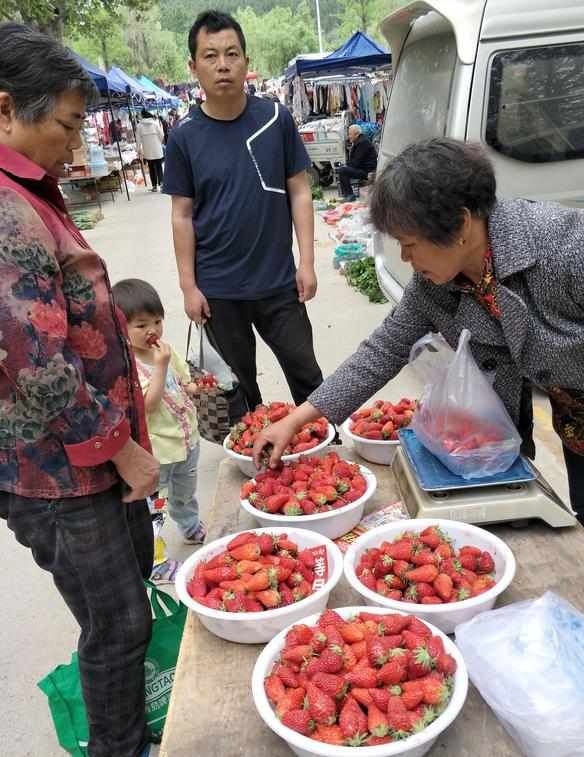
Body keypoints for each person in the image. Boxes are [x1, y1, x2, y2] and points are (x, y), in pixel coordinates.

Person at [254, 137, 584, 576]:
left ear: (460, 225)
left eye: (411, 243)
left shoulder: (567, 246)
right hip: (579, 411)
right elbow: (383, 350)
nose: (405, 257)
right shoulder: (435, 284)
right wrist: (299, 418)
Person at [0, 23, 159, 757]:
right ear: (6, 111)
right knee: (118, 623)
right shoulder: (5, 212)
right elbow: (38, 369)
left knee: (124, 611)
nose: (77, 142)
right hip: (59, 475)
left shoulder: (32, 192)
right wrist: (123, 450)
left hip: (83, 462)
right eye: (66, 125)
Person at [164, 10, 323, 417]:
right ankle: (254, 464)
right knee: (237, 390)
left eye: (232, 54)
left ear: (246, 63)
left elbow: (300, 191)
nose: (223, 65)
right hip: (219, 289)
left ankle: (325, 450)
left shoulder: (275, 119)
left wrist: (306, 261)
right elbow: (181, 215)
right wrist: (188, 287)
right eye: (211, 55)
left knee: (307, 374)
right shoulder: (183, 137)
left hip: (279, 283)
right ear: (193, 66)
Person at [112, 278, 207, 553]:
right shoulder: (129, 367)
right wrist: (160, 367)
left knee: (185, 493)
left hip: (187, 440)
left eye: (156, 321)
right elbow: (147, 406)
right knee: (156, 504)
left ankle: (189, 527)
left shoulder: (165, 351)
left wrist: (193, 387)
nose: (152, 330)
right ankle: (154, 554)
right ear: (121, 328)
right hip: (159, 453)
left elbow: (183, 380)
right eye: (141, 325)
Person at [335, 124, 378, 201]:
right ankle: (346, 194)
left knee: (342, 171)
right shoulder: (360, 141)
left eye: (350, 134)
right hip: (363, 169)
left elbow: (356, 163)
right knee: (343, 169)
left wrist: (346, 166)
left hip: (367, 172)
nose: (349, 136)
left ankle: (350, 195)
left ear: (356, 134)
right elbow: (355, 162)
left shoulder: (362, 143)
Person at [136, 109, 164, 191]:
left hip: (148, 150)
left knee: (151, 168)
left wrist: (138, 150)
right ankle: (162, 185)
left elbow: (138, 140)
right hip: (157, 149)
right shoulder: (155, 123)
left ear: (142, 116)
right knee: (159, 167)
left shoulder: (139, 126)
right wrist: (158, 141)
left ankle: (154, 186)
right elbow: (161, 135)